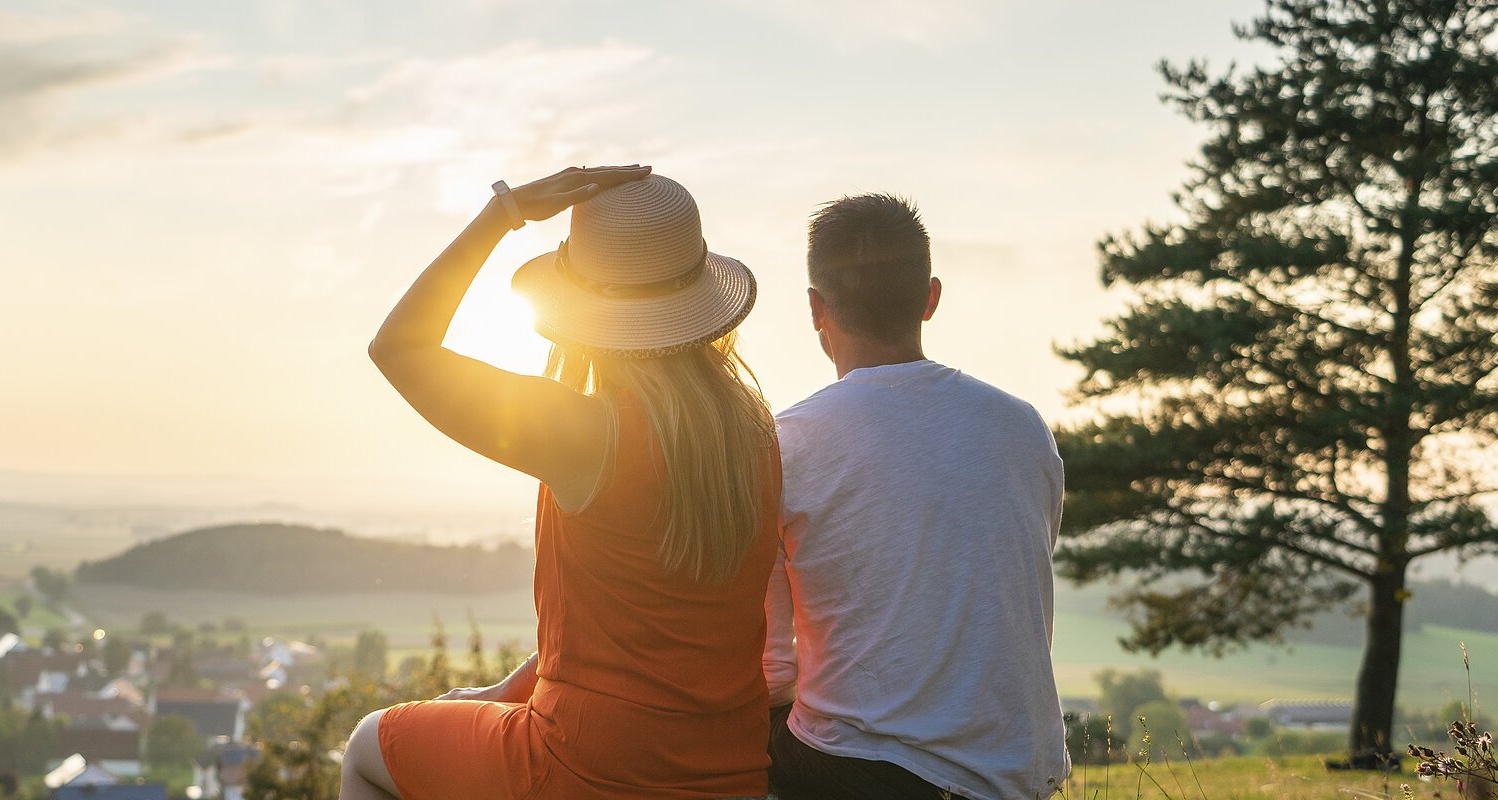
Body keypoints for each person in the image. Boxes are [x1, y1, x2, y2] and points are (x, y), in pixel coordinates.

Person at [346, 167, 781, 800]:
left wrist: (503, 214)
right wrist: (508, 691)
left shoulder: (584, 431)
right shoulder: (749, 433)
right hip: (728, 769)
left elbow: (399, 348)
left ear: (582, 305)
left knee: (366, 746)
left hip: (587, 765)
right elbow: (655, 622)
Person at [763, 194, 1072, 799]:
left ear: (815, 309)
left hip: (861, 772)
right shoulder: (1023, 426)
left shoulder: (785, 444)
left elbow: (773, 671)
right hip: (1019, 772)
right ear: (931, 297)